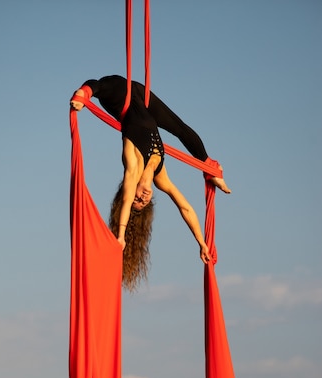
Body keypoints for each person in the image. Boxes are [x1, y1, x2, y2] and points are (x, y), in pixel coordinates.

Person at [70, 75, 231, 291]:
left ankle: (83, 92)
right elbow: (185, 207)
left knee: (99, 85)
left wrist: (121, 236)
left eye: (137, 198)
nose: (141, 197)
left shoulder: (132, 166)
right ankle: (210, 168)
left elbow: (126, 201)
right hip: (141, 99)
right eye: (143, 202)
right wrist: (201, 243)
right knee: (180, 127)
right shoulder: (160, 176)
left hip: (120, 99)